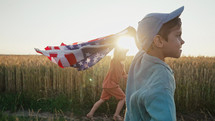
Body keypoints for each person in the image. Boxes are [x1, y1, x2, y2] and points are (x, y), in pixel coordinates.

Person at [125, 6, 185, 121]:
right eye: (178, 35)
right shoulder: (163, 77)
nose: (182, 41)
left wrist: (135, 35)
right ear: (158, 41)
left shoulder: (140, 58)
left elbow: (143, 46)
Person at [87, 48, 128, 121]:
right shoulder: (115, 61)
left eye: (125, 54)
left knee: (102, 99)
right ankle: (116, 115)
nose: (124, 55)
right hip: (111, 85)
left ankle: (90, 114)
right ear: (118, 54)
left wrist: (133, 75)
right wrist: (117, 48)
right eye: (123, 53)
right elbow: (116, 54)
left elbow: (124, 76)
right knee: (123, 98)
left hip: (107, 85)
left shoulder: (122, 65)